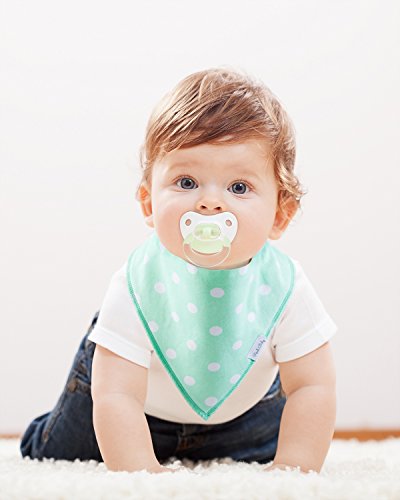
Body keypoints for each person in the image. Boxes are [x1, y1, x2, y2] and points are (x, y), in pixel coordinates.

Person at [20, 68, 337, 475]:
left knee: (280, 435)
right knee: (52, 452)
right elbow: (116, 394)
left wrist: (294, 467)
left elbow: (312, 385)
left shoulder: (285, 288)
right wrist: (140, 472)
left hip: (242, 411)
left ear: (280, 215)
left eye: (239, 187)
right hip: (131, 410)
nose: (209, 203)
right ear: (149, 203)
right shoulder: (136, 284)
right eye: (187, 182)